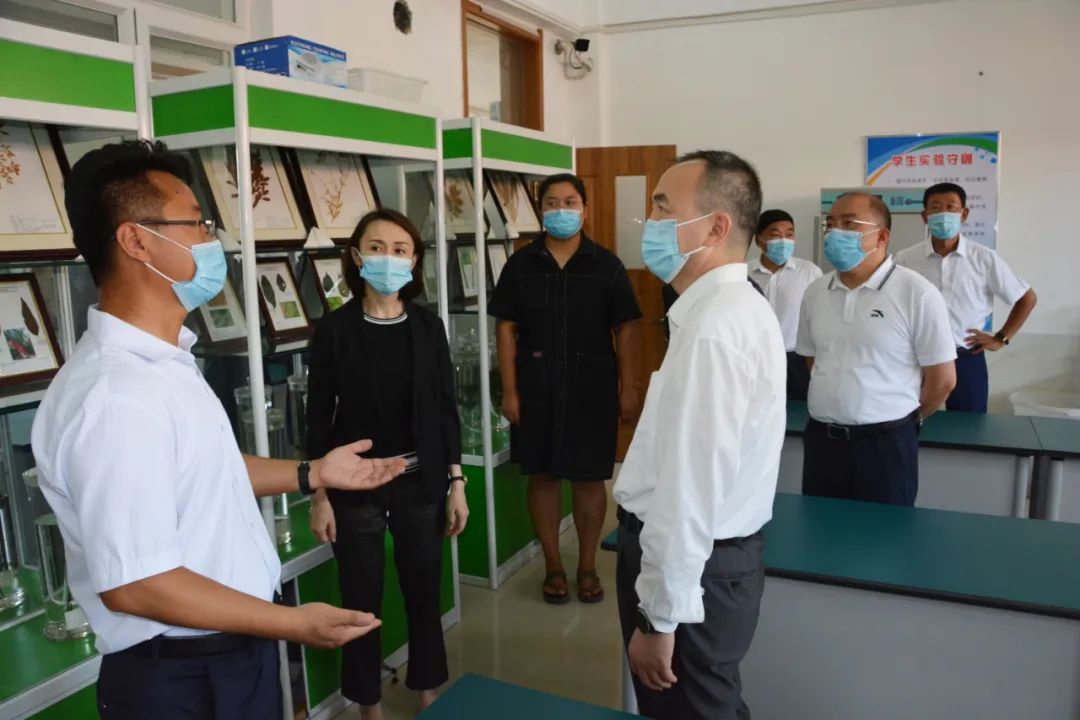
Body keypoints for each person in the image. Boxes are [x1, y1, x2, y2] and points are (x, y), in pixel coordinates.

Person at [30, 141, 406, 719]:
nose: (213, 240)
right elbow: (136, 583)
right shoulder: (115, 397)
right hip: (179, 674)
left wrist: (312, 473)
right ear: (136, 241)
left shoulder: (166, 361)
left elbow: (207, 469)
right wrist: (291, 623)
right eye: (197, 224)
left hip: (223, 654)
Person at [613, 150, 786, 720]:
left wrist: (659, 618)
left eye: (663, 209)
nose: (650, 223)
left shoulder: (716, 328)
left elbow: (691, 489)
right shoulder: (723, 310)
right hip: (707, 566)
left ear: (715, 227)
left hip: (697, 573)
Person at [306, 209, 468, 719]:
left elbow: (445, 409)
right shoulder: (334, 330)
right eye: (376, 248)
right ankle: (367, 702)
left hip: (420, 480)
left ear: (414, 260)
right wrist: (320, 495)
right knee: (360, 596)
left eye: (400, 250)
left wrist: (457, 483)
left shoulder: (427, 326)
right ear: (357, 257)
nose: (388, 258)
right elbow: (317, 417)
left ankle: (428, 689)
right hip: (354, 484)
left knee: (423, 589)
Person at [490, 173, 641, 605]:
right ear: (541, 211)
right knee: (543, 476)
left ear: (585, 209)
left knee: (590, 480)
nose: (561, 210)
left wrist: (628, 387)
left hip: (592, 389)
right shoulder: (520, 264)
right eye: (552, 203)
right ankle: (553, 565)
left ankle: (587, 566)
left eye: (570, 202)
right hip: (535, 388)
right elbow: (506, 329)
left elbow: (626, 327)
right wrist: (510, 391)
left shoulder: (606, 265)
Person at [797, 192, 957, 506]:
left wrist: (905, 421)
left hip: (885, 445)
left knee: (886, 533)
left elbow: (943, 381)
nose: (834, 232)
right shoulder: (815, 291)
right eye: (830, 224)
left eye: (849, 224)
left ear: (882, 237)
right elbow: (813, 360)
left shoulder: (917, 293)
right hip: (822, 442)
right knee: (821, 530)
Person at [896, 182, 1037, 413]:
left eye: (951, 207)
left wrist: (1001, 338)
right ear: (924, 216)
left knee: (970, 424)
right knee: (909, 419)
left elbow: (1026, 298)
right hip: (916, 358)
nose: (944, 213)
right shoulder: (905, 259)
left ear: (964, 214)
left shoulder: (984, 258)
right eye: (935, 208)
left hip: (966, 357)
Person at [749, 209, 822, 401]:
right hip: (756, 358)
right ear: (759, 240)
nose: (784, 241)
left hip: (796, 359)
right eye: (775, 235)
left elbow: (819, 318)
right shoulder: (745, 273)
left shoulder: (809, 273)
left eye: (789, 234)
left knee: (798, 410)